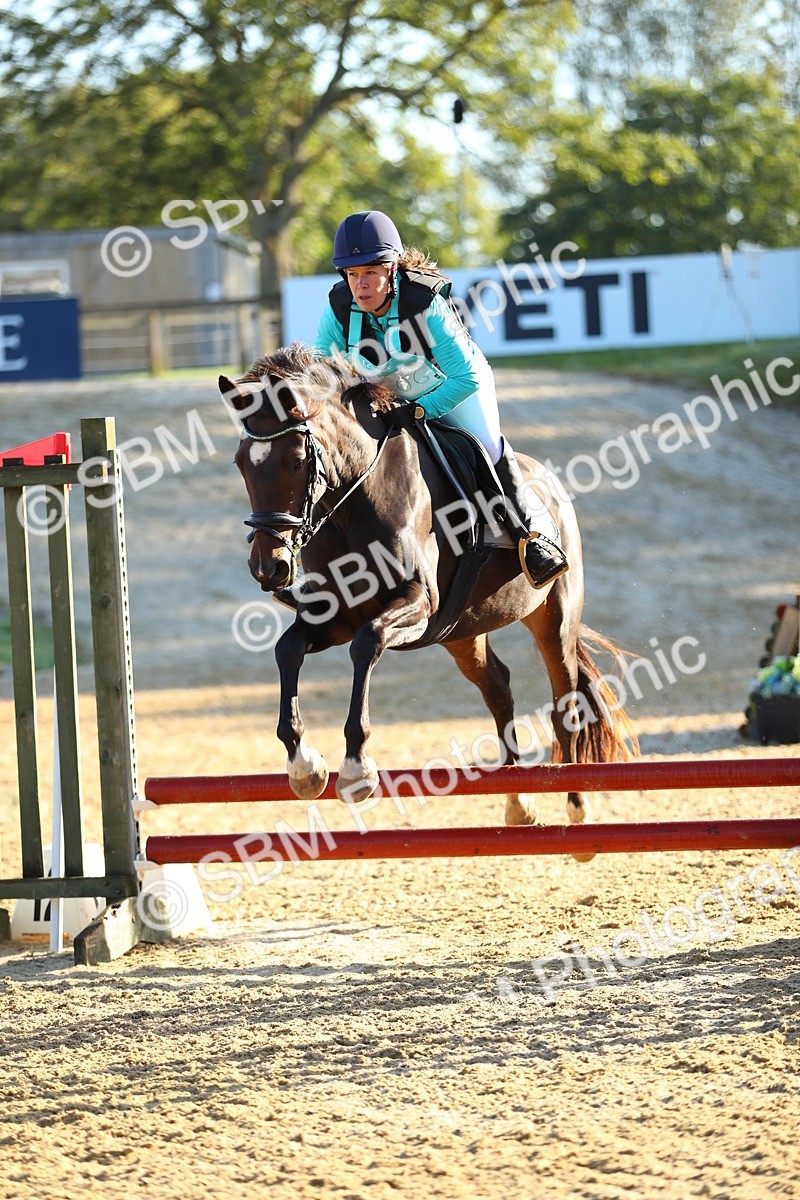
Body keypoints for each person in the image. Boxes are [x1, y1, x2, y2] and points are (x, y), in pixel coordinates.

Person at [313, 209, 568, 589]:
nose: (360, 285)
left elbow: (463, 378)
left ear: (393, 269)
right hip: (393, 395)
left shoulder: (424, 303)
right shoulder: (338, 307)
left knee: (486, 449)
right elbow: (321, 371)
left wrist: (418, 410)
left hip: (456, 388)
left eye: (370, 273)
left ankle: (532, 536)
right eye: (352, 274)